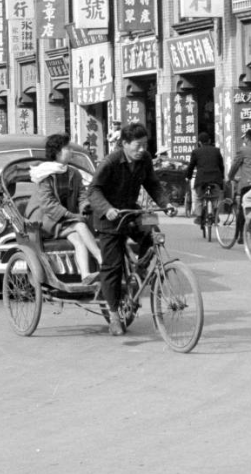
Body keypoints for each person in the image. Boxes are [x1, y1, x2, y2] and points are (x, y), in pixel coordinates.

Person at [87, 123, 168, 336]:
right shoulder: (111, 162)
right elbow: (94, 189)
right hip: (109, 218)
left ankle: (139, 271)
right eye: (137, 145)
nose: (142, 149)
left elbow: (153, 184)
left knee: (153, 232)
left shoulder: (145, 160)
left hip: (130, 210)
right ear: (124, 144)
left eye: (145, 145)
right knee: (112, 267)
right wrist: (107, 208)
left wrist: (165, 203)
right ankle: (114, 314)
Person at [27, 133, 103, 285]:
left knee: (79, 240)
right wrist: (72, 216)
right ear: (57, 152)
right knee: (80, 225)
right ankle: (102, 260)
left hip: (65, 222)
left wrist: (84, 207)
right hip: (45, 221)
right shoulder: (45, 174)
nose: (71, 151)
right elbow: (48, 204)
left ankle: (85, 275)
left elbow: (82, 195)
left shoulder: (73, 173)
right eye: (67, 148)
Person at [185, 131, 225, 226]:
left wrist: (188, 176)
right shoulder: (216, 150)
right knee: (215, 198)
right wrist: (222, 178)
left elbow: (191, 166)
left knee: (198, 197)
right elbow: (221, 166)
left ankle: (199, 216)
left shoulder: (196, 152)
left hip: (201, 181)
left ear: (199, 143)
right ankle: (216, 213)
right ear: (210, 140)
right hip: (215, 179)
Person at [227, 129, 251, 236]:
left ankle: (241, 234)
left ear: (247, 138)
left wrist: (230, 177)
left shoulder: (243, 150)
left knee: (242, 208)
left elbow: (235, 165)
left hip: (247, 184)